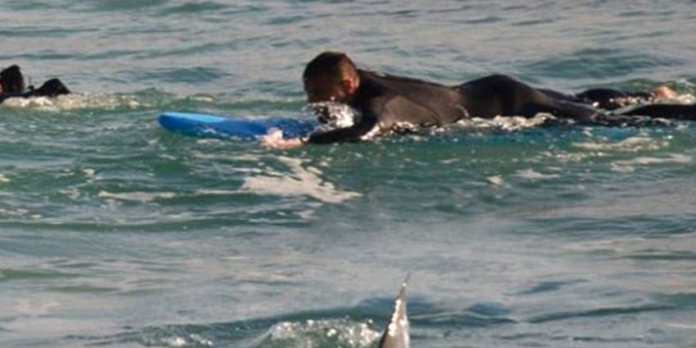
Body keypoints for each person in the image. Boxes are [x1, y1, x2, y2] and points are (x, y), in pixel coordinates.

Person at [264, 51, 695, 148]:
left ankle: (678, 109)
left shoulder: (380, 102)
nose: (312, 101)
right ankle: (650, 93)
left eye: (321, 93)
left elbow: (365, 132)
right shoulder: (360, 80)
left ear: (350, 86)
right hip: (492, 90)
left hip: (506, 104)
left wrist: (303, 144)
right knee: (584, 102)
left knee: (605, 123)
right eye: (308, 93)